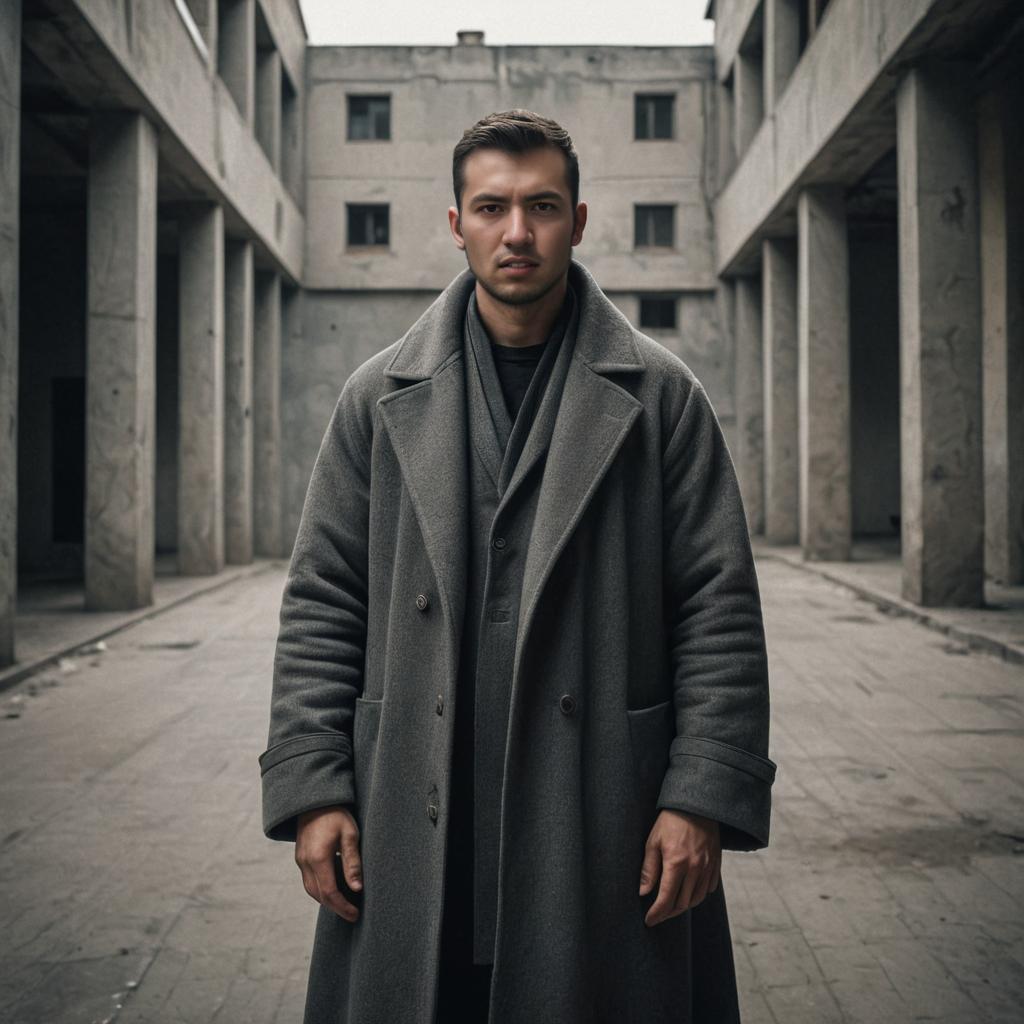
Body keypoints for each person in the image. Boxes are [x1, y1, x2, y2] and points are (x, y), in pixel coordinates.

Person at [259, 109, 776, 1024]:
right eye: (492, 207)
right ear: (456, 223)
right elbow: (322, 600)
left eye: (542, 206)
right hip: (413, 819)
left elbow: (718, 607)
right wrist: (313, 788)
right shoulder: (377, 398)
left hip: (603, 819)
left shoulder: (662, 398)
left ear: (578, 221)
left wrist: (701, 795)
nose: (518, 233)